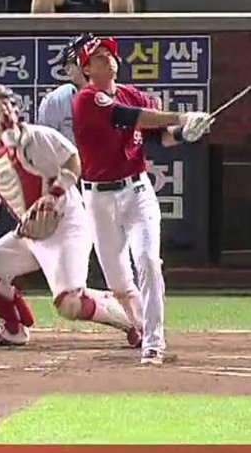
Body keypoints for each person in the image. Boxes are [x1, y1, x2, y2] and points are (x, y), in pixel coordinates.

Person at [0, 85, 135, 348]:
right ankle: (13, 330)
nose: (5, 111)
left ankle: (131, 319)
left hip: (67, 226)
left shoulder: (38, 137)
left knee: (70, 305)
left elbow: (73, 161)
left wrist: (54, 194)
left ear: (18, 111)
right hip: (31, 232)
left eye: (9, 105)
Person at [70, 37, 214, 365]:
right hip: (97, 199)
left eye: (110, 54)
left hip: (136, 191)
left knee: (148, 261)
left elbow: (160, 137)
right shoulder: (86, 99)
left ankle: (154, 341)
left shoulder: (133, 94)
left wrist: (187, 133)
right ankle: (138, 325)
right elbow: (128, 117)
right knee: (119, 282)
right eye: (99, 57)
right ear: (86, 69)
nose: (108, 59)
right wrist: (181, 117)